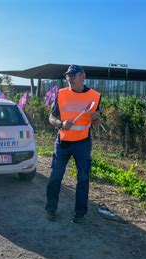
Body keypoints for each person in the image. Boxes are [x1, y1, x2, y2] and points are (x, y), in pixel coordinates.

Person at [45, 64, 102, 223]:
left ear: (83, 76)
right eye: (68, 75)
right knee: (55, 177)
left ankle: (80, 214)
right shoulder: (62, 94)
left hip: (82, 144)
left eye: (73, 75)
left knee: (83, 179)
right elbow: (51, 118)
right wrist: (61, 124)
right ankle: (51, 209)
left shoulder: (95, 96)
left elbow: (97, 123)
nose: (69, 78)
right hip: (62, 143)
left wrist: (95, 118)